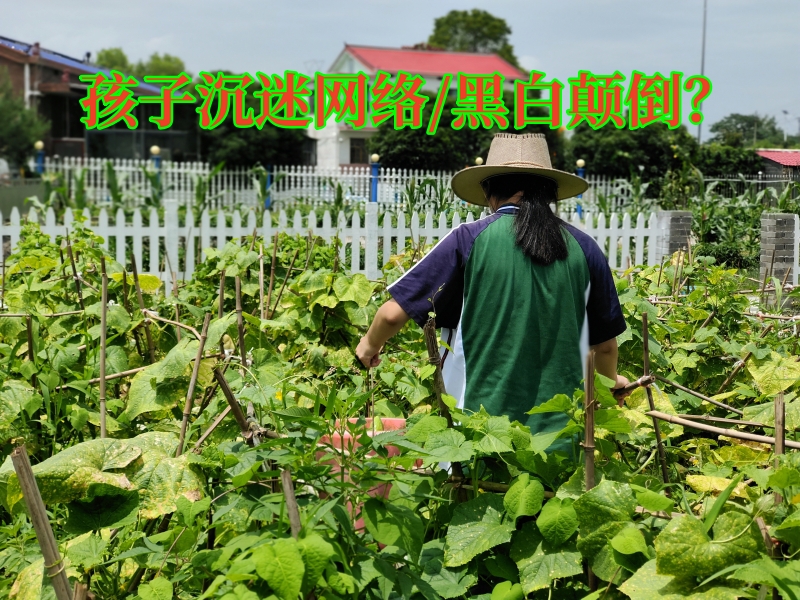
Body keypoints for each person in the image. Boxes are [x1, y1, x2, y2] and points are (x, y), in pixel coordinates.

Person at [356, 133, 629, 443]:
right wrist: (610, 385)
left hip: (481, 435)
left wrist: (368, 347)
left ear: (488, 190)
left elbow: (392, 316)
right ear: (550, 193)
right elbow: (605, 347)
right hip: (562, 438)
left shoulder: (468, 239)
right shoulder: (585, 248)